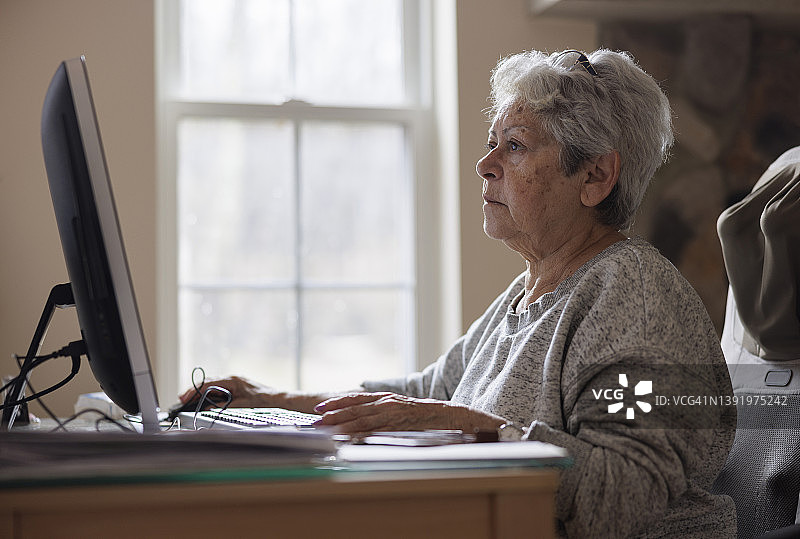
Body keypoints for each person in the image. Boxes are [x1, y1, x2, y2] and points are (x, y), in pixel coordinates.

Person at [181, 49, 737, 538]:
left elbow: (621, 495)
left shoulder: (633, 295)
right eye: (492, 143)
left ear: (595, 176)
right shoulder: (531, 292)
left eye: (514, 147)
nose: (483, 165)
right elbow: (416, 396)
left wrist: (463, 425)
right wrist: (268, 399)